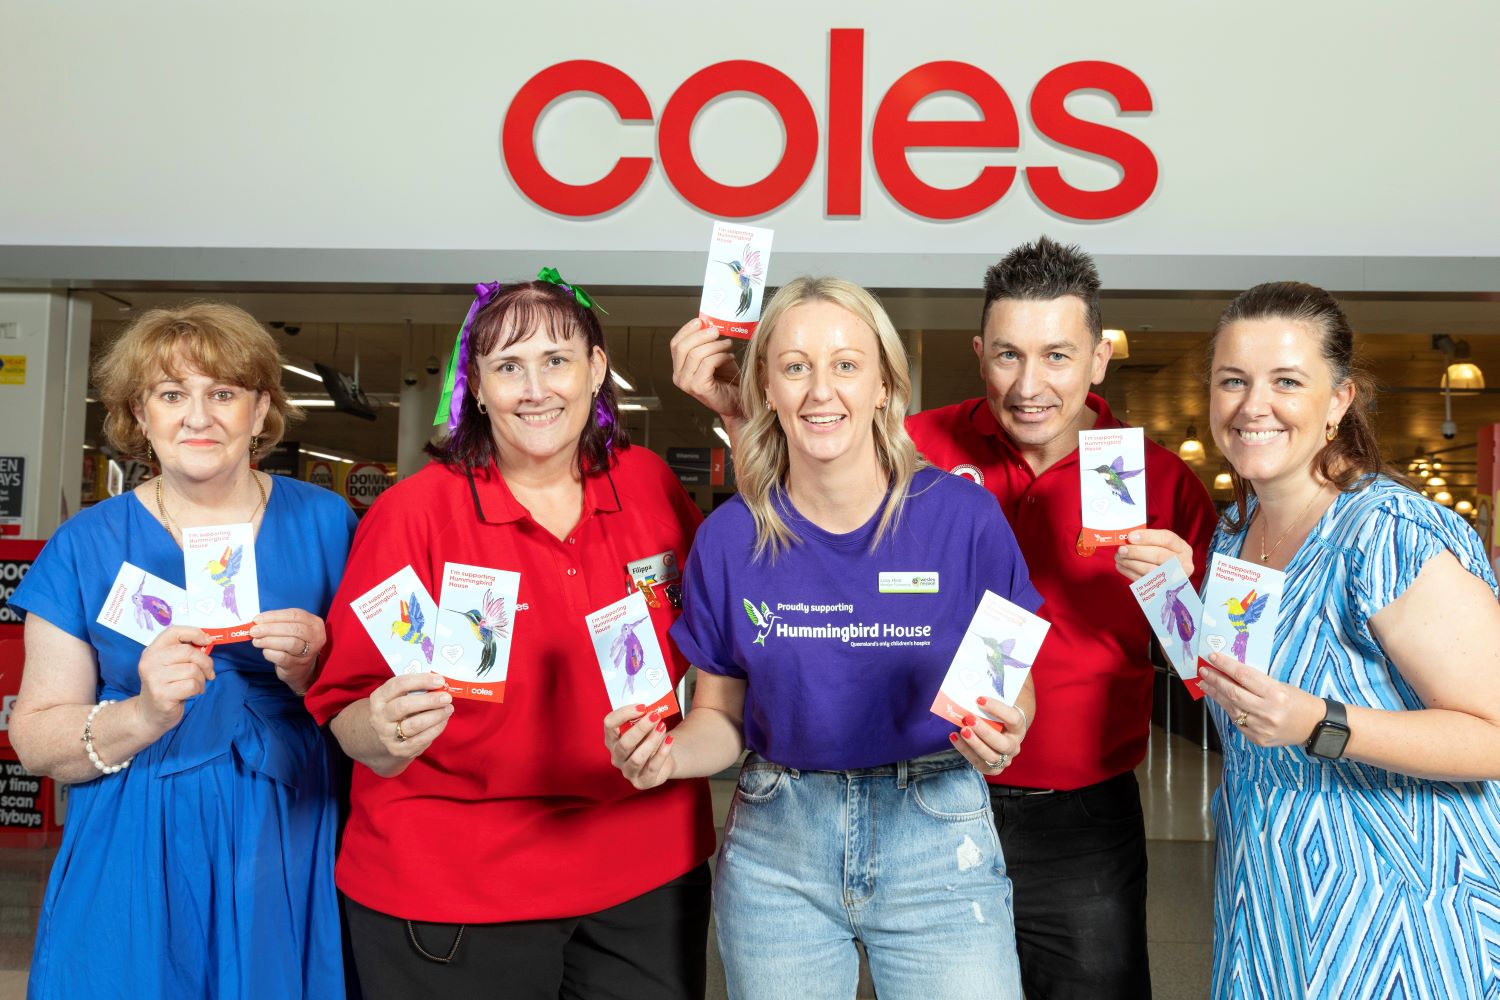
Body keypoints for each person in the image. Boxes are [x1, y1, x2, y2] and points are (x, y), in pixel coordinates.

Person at [671, 237, 1218, 997]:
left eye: (1057, 356)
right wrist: (753, 400)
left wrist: (1178, 595)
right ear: (979, 355)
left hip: (1075, 809)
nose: (1029, 385)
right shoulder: (916, 444)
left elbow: (1213, 661)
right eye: (1007, 356)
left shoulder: (1156, 479)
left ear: (1099, 357)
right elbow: (808, 482)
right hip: (921, 782)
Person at [615, 277, 1036, 1000]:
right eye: (795, 365)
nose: (821, 390)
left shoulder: (962, 519)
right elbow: (718, 715)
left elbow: (1010, 680)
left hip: (937, 830)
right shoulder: (729, 539)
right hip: (779, 845)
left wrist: (1009, 725)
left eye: (846, 364)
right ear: (766, 388)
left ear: (883, 386)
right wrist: (667, 757)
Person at [305, 275, 716, 1000]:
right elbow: (346, 709)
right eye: (507, 367)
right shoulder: (414, 515)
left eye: (556, 360)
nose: (535, 389)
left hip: (645, 876)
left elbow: (713, 632)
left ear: (596, 370)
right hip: (456, 889)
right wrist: (381, 727)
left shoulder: (650, 487)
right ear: (477, 387)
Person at [1118, 281, 1500, 998]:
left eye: (1286, 381)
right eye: (1233, 380)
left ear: (1337, 401)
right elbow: (1231, 693)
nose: (1251, 405)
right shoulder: (1238, 532)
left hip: (1402, 919)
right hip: (1272, 901)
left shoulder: (1386, 533)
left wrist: (1321, 725)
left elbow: (1495, 735)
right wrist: (1171, 594)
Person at [7, 303, 357, 997]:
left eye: (223, 393)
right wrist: (141, 710)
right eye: (172, 395)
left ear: (261, 411)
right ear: (140, 415)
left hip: (288, 832)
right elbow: (36, 738)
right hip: (137, 840)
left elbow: (382, 702)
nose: (198, 417)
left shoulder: (327, 524)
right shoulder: (85, 545)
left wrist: (317, 671)